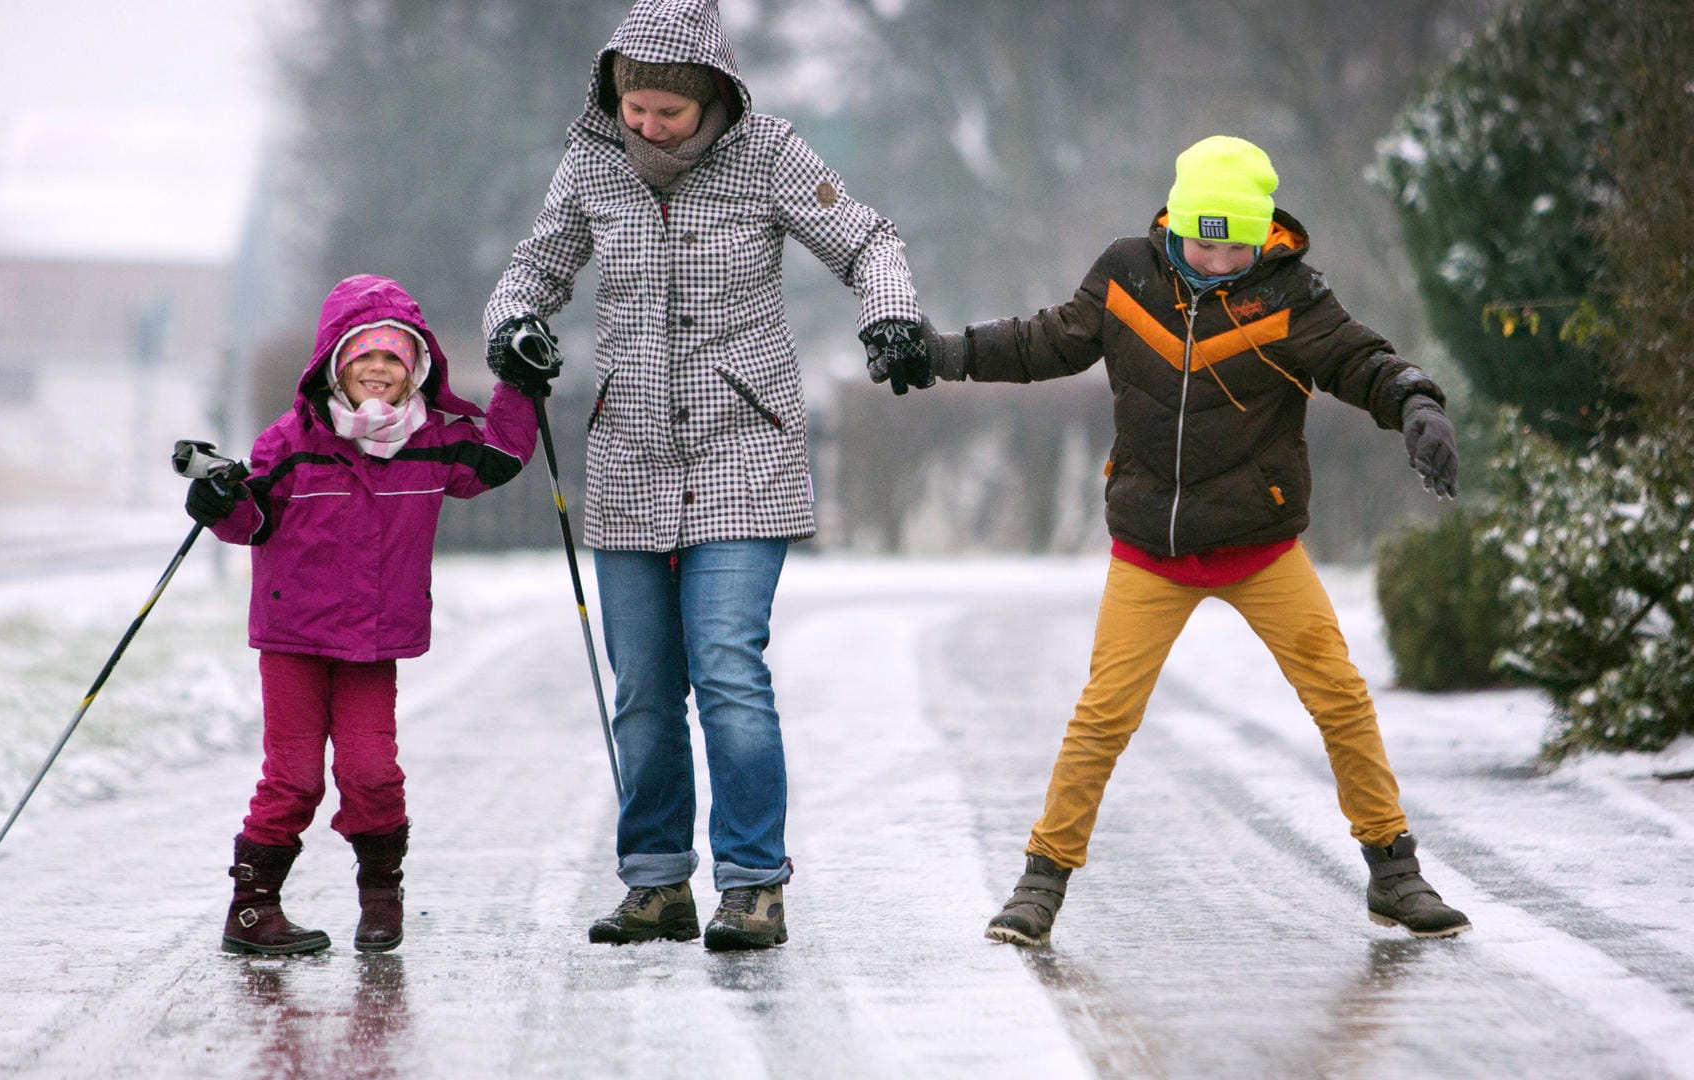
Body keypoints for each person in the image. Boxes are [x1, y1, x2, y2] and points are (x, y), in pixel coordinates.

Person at [923, 135, 1472, 947]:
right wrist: (947, 354)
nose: (1217, 258)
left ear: (1265, 236)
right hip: (1152, 545)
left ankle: (1394, 871)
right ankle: (1041, 882)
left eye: (1236, 244)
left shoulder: (1291, 296)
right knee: (1103, 716)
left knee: (1339, 696)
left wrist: (1418, 403)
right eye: (1202, 239)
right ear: (1174, 224)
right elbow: (1046, 340)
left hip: (1259, 545)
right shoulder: (1127, 277)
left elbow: (1363, 361)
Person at [482, 0, 933, 951]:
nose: (647, 127)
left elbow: (868, 240)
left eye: (668, 114)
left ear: (715, 99)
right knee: (644, 685)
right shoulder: (592, 160)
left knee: (727, 667)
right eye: (634, 108)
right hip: (631, 459)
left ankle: (752, 883)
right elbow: (535, 267)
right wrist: (513, 326)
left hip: (745, 453)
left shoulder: (768, 153)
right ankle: (655, 883)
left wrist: (888, 314)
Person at [186, 273, 538, 955]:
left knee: (371, 771)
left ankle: (381, 900)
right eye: (363, 356)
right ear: (334, 366)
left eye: (393, 358)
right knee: (293, 778)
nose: (377, 370)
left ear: (415, 371)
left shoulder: (433, 441)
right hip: (294, 641)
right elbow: (252, 518)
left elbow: (497, 456)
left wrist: (519, 384)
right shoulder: (291, 441)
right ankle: (252, 910)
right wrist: (218, 503)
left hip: (373, 643)